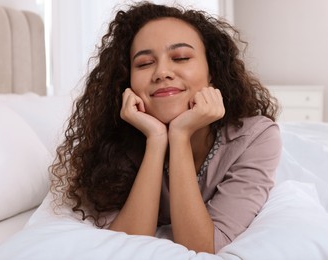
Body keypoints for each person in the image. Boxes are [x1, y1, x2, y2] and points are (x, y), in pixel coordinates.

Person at [50, 1, 282, 254]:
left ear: (212, 70)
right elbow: (123, 246)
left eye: (181, 58)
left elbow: (203, 248)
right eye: (144, 63)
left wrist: (180, 135)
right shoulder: (112, 143)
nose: (162, 72)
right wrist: (157, 138)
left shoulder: (256, 136)